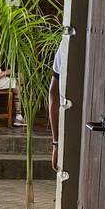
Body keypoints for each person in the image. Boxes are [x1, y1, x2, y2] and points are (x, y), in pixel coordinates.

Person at [48, 38, 65, 171]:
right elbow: (54, 92)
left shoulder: (66, 42)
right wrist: (56, 144)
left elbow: (53, 92)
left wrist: (56, 144)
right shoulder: (65, 44)